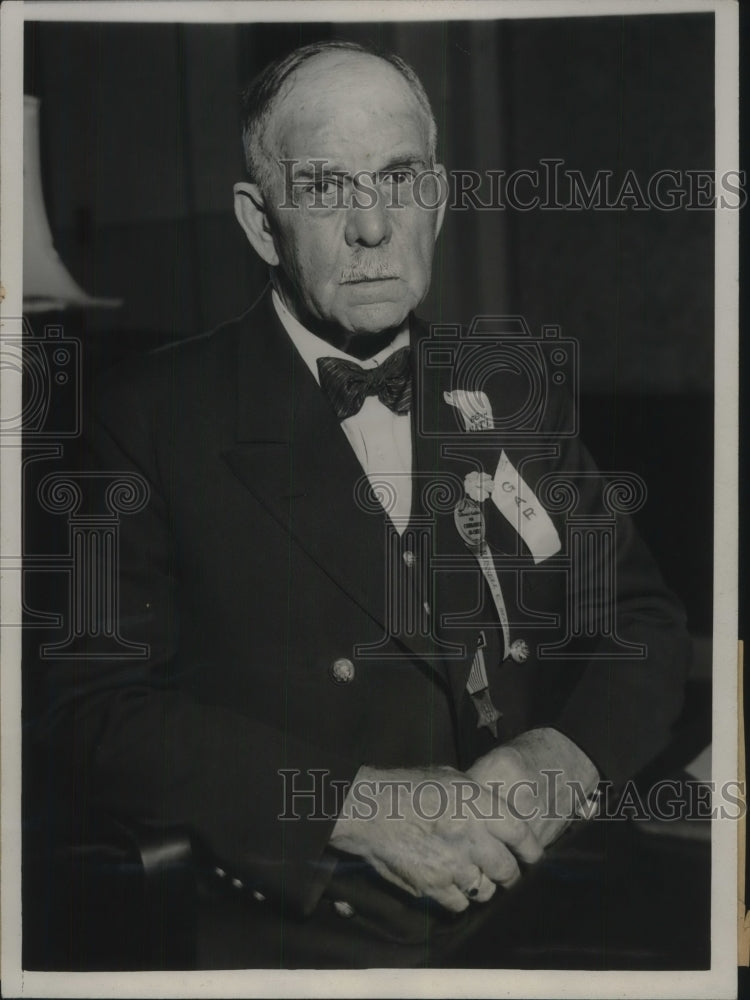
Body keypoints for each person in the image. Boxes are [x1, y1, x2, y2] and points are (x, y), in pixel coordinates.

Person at [41, 39, 689, 968]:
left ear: (440, 197)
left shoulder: (508, 390)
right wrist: (348, 806)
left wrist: (565, 758)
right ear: (261, 224)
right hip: (309, 937)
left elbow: (645, 619)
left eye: (399, 178)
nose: (374, 227)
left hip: (544, 910)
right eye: (325, 188)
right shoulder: (144, 419)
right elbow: (86, 712)